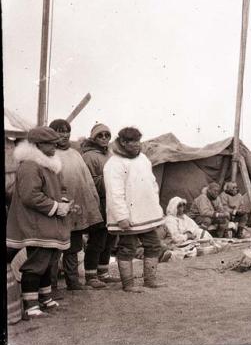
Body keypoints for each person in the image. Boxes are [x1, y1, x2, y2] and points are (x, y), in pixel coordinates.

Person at [6, 126, 73, 318]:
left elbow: (61, 189)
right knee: (36, 263)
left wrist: (64, 203)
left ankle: (44, 298)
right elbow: (30, 196)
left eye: (55, 143)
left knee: (47, 261)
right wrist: (56, 207)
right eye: (49, 144)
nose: (54, 147)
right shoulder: (30, 165)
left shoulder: (49, 164)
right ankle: (31, 305)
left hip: (47, 220)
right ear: (36, 145)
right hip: (35, 223)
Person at [103, 127, 166, 292]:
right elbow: (114, 192)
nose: (138, 145)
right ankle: (128, 285)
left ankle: (150, 280)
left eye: (139, 141)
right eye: (133, 141)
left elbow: (152, 184)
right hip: (128, 216)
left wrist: (156, 208)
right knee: (127, 248)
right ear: (123, 142)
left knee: (153, 245)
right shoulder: (114, 163)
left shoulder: (143, 159)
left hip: (146, 214)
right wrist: (122, 216)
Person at [49, 119, 105, 291]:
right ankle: (50, 286)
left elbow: (86, 180)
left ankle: (73, 282)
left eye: (67, 131)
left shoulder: (75, 154)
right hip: (58, 209)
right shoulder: (49, 155)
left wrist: (93, 201)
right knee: (55, 247)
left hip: (77, 209)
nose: (64, 135)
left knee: (73, 246)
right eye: (59, 131)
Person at [80, 123, 120, 283]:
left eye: (107, 135)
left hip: (111, 203)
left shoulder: (110, 155)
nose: (104, 138)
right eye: (100, 135)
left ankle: (103, 272)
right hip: (97, 203)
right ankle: (90, 275)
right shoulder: (88, 156)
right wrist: (111, 179)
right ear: (94, 138)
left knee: (110, 238)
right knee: (97, 239)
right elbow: (87, 181)